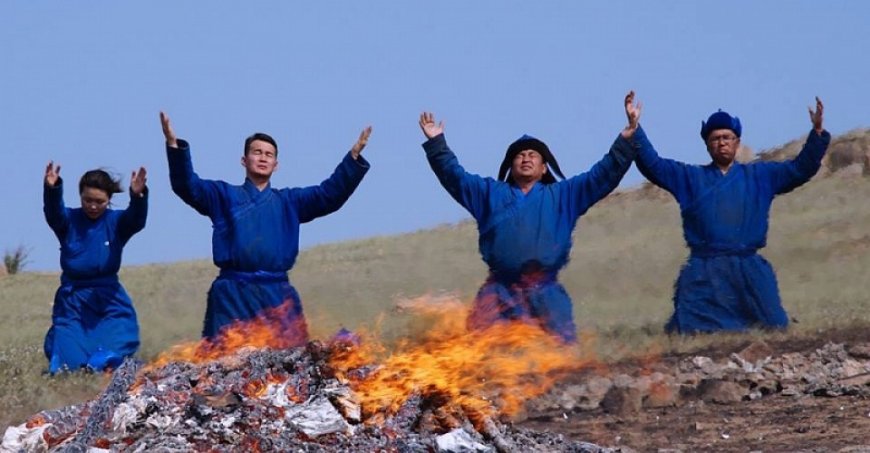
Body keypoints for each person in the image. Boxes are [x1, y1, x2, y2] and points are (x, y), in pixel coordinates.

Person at [417, 94, 639, 343]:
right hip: (498, 293)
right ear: (510, 166)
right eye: (520, 155)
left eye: (533, 155)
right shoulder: (489, 194)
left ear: (544, 168)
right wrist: (437, 143)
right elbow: (455, 176)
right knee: (478, 358)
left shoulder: (564, 195)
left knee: (562, 363)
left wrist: (628, 136)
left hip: (546, 293)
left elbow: (602, 175)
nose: (525, 158)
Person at [626, 92, 830, 334]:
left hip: (748, 267)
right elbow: (655, 166)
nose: (721, 142)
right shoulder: (690, 178)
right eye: (715, 139)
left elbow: (800, 169)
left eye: (727, 137)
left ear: (737, 142)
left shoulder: (760, 176)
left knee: (775, 326)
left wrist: (817, 133)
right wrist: (635, 127)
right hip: (704, 268)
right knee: (686, 331)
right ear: (707, 145)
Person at [160, 112, 371, 342]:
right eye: (257, 152)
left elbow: (329, 195)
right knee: (225, 362)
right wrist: (174, 146)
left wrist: (352, 158)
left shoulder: (290, 202)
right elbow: (188, 186)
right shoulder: (222, 196)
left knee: (289, 363)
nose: (263, 158)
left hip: (277, 295)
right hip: (232, 296)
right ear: (244, 160)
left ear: (276, 165)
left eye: (269, 154)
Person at [42, 162, 148, 373]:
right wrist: (52, 190)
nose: (92, 206)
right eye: (87, 200)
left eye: (99, 201)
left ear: (108, 201)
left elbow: (136, 220)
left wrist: (138, 197)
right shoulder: (69, 220)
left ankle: (102, 365)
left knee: (121, 342)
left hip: (109, 299)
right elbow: (53, 214)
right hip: (73, 302)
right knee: (68, 361)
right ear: (80, 196)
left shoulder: (116, 222)